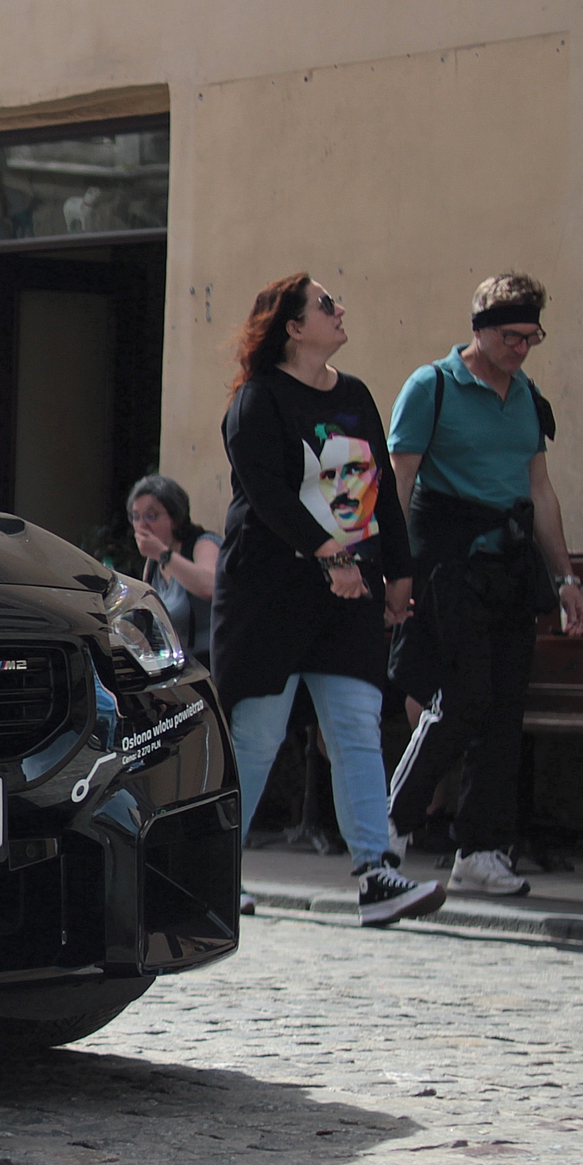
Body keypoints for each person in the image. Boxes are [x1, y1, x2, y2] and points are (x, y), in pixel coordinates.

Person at [210, 273, 443, 927]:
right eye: (325, 304)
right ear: (292, 327)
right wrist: (331, 555)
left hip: (348, 592)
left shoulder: (358, 393)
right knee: (256, 737)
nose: (340, 310)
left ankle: (376, 873)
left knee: (356, 729)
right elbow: (269, 496)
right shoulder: (256, 400)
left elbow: (379, 491)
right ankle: (218, 873)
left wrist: (398, 571)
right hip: (270, 591)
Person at [384, 273, 583, 895]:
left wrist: (566, 577)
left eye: (532, 337)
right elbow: (399, 485)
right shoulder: (433, 387)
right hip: (449, 560)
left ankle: (481, 848)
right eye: (510, 336)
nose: (521, 348)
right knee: (463, 697)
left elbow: (540, 490)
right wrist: (394, 571)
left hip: (511, 563)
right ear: (479, 328)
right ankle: (388, 827)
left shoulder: (526, 396)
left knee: (504, 708)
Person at [127, 473, 218, 671]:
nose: (142, 525)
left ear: (175, 519)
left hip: (212, 664)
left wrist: (163, 555)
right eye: (136, 517)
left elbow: (209, 587)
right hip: (178, 667)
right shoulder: (152, 563)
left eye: (151, 516)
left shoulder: (201, 544)